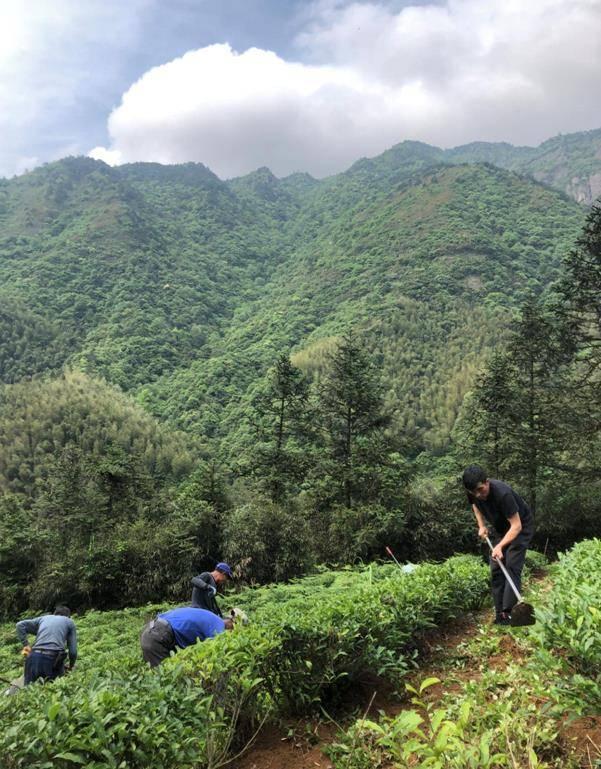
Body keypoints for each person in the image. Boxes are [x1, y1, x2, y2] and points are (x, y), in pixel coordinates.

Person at [462, 465, 535, 626]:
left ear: (487, 482)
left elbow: (516, 526)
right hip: (501, 528)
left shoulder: (503, 494)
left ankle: (509, 613)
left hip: (520, 526)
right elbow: (475, 505)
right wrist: (481, 526)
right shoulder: (473, 492)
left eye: (481, 490)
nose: (478, 495)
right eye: (474, 492)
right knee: (496, 567)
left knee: (512, 565)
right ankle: (499, 614)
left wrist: (500, 546)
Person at [140, 606, 234, 667]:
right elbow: (218, 652)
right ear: (231, 622)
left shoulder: (211, 617)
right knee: (164, 676)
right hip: (158, 636)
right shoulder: (219, 627)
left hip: (152, 629)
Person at [16, 606, 77, 685]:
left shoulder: (44, 618)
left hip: (33, 657)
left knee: (28, 690)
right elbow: (73, 652)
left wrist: (26, 645)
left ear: (54, 614)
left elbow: (19, 625)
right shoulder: (69, 622)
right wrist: (71, 666)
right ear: (68, 616)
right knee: (55, 689)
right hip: (53, 658)